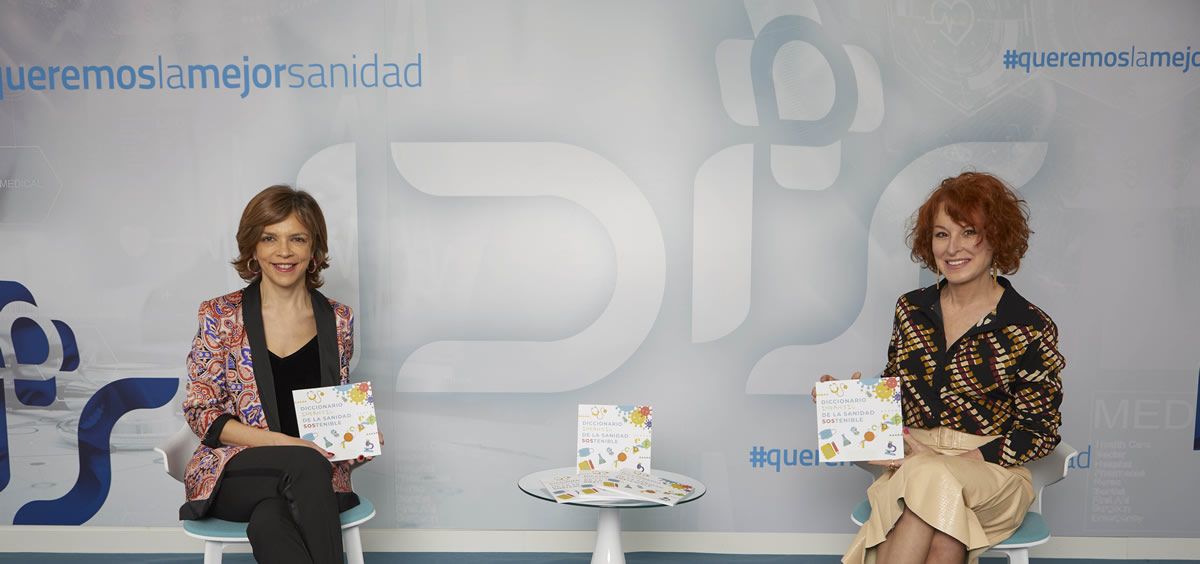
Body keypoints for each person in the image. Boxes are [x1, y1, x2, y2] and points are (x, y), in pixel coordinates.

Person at [818, 172, 1065, 564]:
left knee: (930, 479)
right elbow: (898, 393)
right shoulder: (911, 310)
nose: (952, 248)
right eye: (941, 234)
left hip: (990, 473)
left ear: (996, 237)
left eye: (969, 232)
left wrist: (948, 462)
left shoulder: (1028, 326)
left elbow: (1039, 431)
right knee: (940, 531)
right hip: (914, 461)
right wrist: (851, 405)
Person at [179, 185, 372, 564]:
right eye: (270, 238)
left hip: (312, 481)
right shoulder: (220, 315)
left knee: (270, 521)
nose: (284, 251)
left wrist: (355, 442)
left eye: (297, 238)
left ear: (314, 250)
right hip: (235, 473)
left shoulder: (338, 320)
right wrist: (286, 445)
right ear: (253, 248)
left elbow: (333, 411)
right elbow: (201, 412)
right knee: (303, 465)